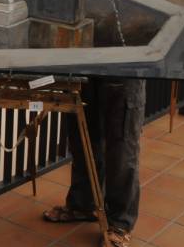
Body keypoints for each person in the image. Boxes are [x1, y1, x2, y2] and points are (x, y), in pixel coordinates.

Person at [42, 77, 145, 247]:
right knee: (82, 141)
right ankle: (83, 205)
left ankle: (120, 223)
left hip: (124, 70)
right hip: (84, 68)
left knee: (122, 148)